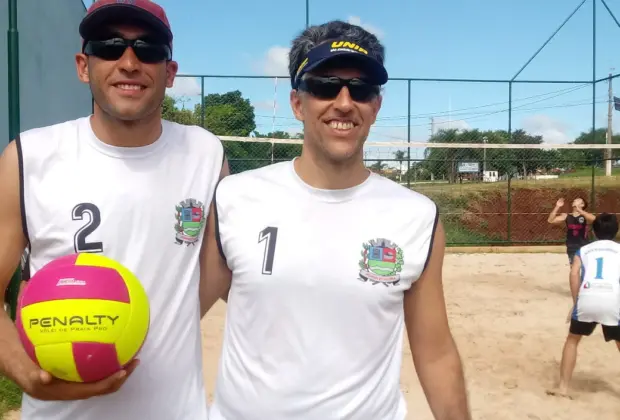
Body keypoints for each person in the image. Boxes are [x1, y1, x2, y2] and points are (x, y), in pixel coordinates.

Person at [200, 20, 471, 420]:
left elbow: (435, 353)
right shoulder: (235, 198)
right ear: (298, 103)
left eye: (360, 90)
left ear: (375, 107)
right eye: (326, 85)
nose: (344, 102)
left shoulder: (416, 217)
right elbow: (182, 315)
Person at [0, 1, 227, 419]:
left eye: (148, 48)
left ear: (170, 73)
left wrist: (150, 325)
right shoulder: (29, 156)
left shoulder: (205, 153)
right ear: (83, 66)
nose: (128, 62)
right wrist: (26, 375)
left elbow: (219, 269)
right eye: (109, 47)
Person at [547, 213, 620, 399]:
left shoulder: (584, 250)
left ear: (593, 232)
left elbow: (574, 274)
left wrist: (575, 302)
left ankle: (563, 388)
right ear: (616, 231)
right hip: (612, 300)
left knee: (572, 340)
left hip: (587, 297)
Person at [547, 197, 595, 265]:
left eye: (578, 200)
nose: (574, 200)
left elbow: (594, 219)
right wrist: (557, 206)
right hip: (572, 245)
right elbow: (550, 220)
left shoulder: (585, 216)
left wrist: (579, 210)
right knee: (573, 267)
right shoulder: (566, 216)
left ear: (582, 204)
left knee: (585, 267)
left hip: (584, 245)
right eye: (574, 200)